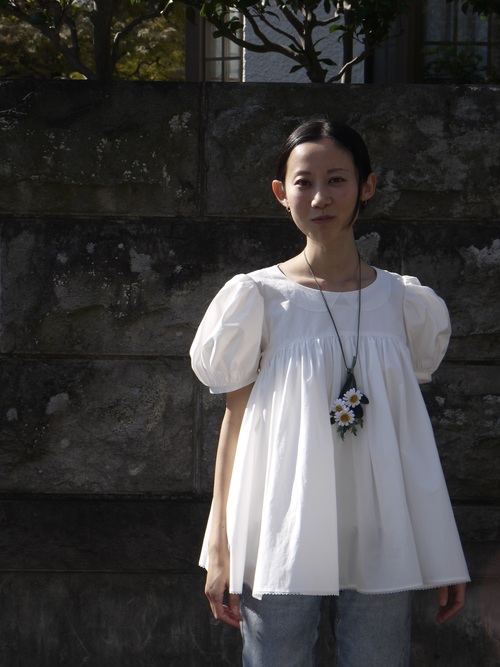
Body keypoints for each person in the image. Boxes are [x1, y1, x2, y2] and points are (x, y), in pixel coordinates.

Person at [190, 118, 470, 666]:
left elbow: (410, 440)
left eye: (338, 179)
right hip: (280, 527)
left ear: (367, 186)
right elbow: (235, 423)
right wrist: (218, 545)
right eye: (304, 182)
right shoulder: (257, 298)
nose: (321, 197)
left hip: (382, 532)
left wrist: (441, 549)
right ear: (281, 192)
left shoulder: (405, 304)